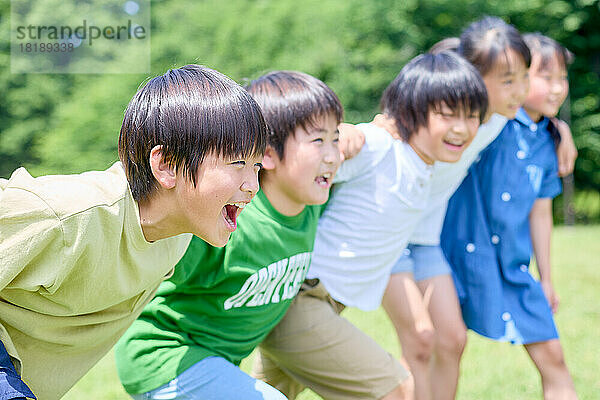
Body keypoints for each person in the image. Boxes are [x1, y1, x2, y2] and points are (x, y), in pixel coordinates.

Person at [0, 64, 267, 400]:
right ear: (166, 166)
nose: (252, 185)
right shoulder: (67, 217)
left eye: (257, 166)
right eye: (237, 163)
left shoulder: (178, 235)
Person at [252, 51, 488, 400]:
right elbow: (322, 156)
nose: (462, 128)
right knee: (395, 391)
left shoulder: (424, 165)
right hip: (300, 298)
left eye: (471, 116)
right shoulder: (379, 146)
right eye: (447, 114)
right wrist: (346, 134)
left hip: (316, 302)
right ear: (410, 110)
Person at [114, 70, 345, 399]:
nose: (332, 154)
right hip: (166, 355)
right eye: (318, 140)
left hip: (217, 362)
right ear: (272, 154)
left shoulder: (308, 203)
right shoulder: (220, 222)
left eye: (335, 140)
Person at [382, 18, 578, 400]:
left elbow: (540, 202)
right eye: (510, 80)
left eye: (524, 78)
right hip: (410, 236)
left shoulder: (510, 125)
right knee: (423, 343)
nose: (520, 91)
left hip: (450, 248)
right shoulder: (470, 118)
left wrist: (557, 127)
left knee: (449, 340)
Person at [441, 32, 578, 400]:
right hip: (456, 257)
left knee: (554, 358)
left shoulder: (548, 140)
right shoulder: (489, 121)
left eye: (562, 78)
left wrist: (546, 278)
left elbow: (541, 213)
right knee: (442, 350)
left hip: (512, 267)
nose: (556, 89)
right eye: (545, 77)